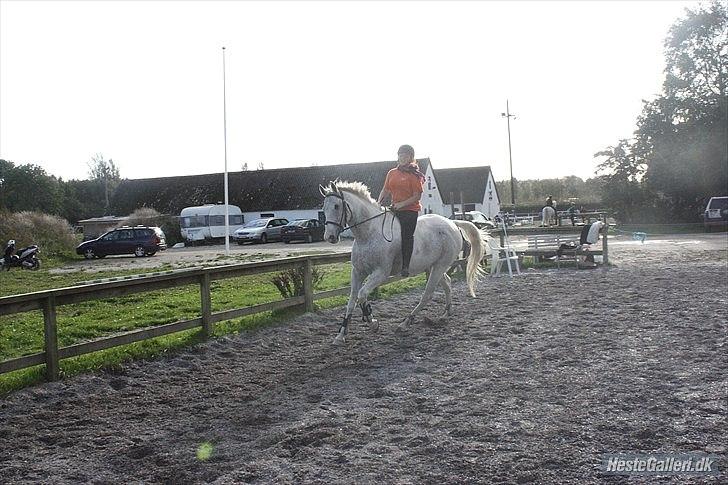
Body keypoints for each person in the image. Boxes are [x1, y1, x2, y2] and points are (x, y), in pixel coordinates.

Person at [377, 144, 425, 277]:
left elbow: (417, 196)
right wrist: (378, 202)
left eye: (406, 156)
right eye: (400, 155)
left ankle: (405, 266)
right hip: (395, 209)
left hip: (410, 210)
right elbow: (385, 189)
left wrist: (401, 204)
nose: (402, 158)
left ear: (411, 158)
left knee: (406, 236)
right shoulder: (392, 173)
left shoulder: (414, 175)